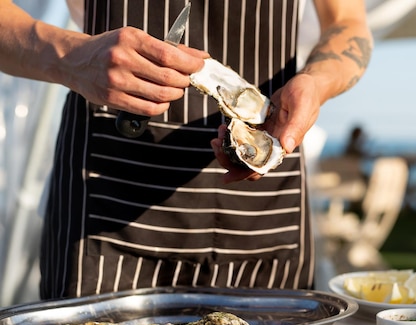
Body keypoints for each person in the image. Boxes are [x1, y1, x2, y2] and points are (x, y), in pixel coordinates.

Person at [0, 0, 373, 299]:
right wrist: (69, 57)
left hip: (267, 208)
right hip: (108, 207)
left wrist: (316, 82)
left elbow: (348, 22)